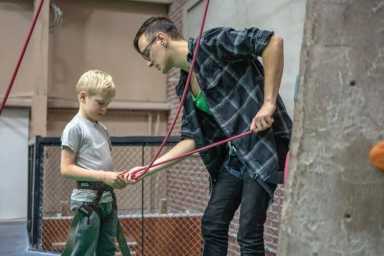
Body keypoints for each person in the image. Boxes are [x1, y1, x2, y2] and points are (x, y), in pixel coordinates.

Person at [125, 17, 292, 256]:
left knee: (248, 234)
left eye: (146, 53)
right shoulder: (184, 87)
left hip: (260, 151)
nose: (148, 63)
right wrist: (148, 168)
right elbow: (191, 140)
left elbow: (272, 42)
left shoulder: (212, 44)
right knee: (213, 223)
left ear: (161, 39)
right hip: (234, 160)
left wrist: (268, 103)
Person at [60, 70, 131, 256]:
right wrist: (104, 176)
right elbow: (66, 168)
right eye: (100, 103)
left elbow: (103, 165)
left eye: (107, 105)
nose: (104, 109)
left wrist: (117, 178)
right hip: (88, 201)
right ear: (83, 97)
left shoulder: (102, 129)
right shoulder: (75, 128)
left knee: (107, 250)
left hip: (107, 199)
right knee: (82, 250)